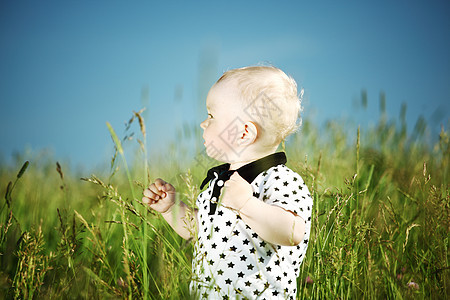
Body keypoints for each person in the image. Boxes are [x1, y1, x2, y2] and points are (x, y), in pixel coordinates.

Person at [142, 66, 313, 299]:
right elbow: (200, 231)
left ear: (244, 133)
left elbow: (292, 232)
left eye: (211, 116)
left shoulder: (280, 179)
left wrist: (246, 204)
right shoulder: (219, 183)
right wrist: (172, 209)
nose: (203, 123)